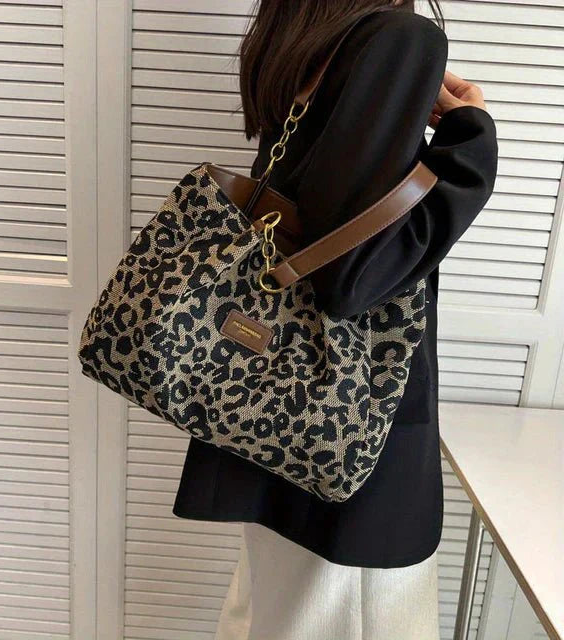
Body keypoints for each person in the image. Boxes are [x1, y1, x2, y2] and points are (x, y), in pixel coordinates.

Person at [172, 1, 499, 638]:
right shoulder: (398, 38)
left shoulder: (303, 41)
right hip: (350, 425)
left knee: (270, 614)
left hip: (273, 403)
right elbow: (354, 279)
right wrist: (471, 143)